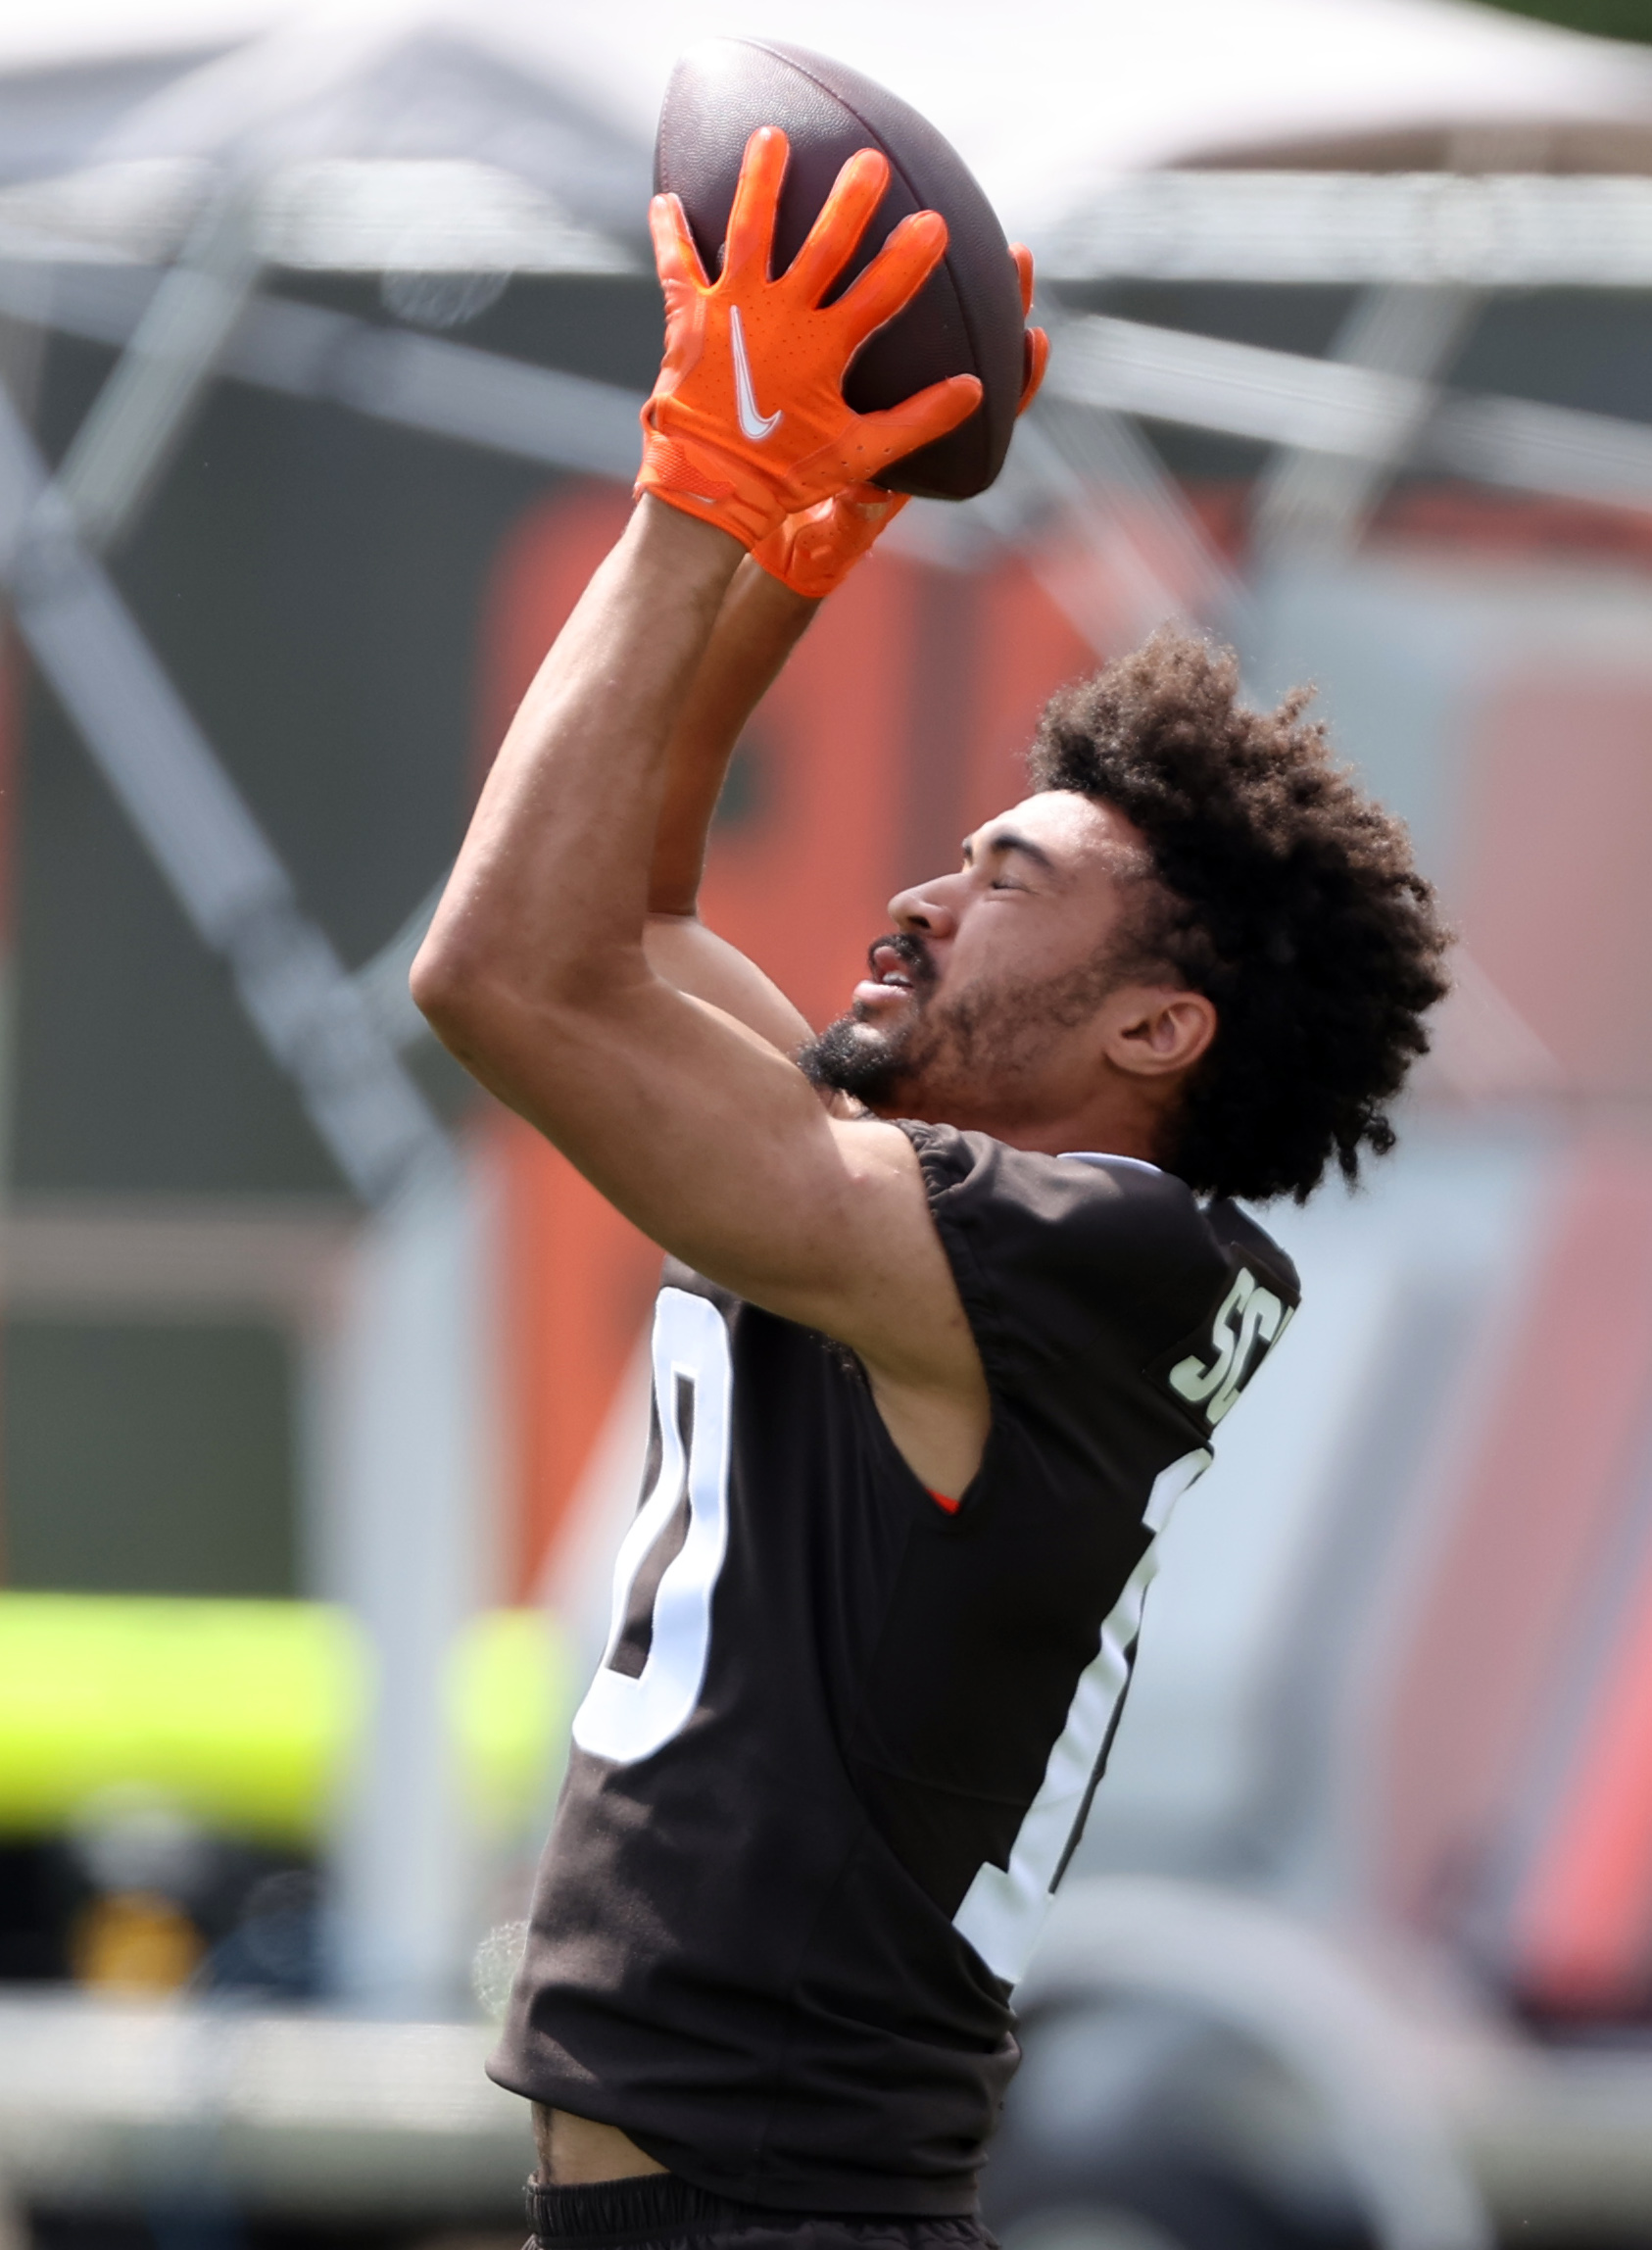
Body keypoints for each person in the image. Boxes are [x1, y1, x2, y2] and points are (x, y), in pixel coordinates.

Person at [412, 126, 1450, 2250]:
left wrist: (704, 475)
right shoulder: (975, 1223)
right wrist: (806, 529)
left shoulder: (1069, 1253)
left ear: (1162, 1028)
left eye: (1011, 879)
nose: (915, 892)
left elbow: (510, 967)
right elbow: (626, 894)